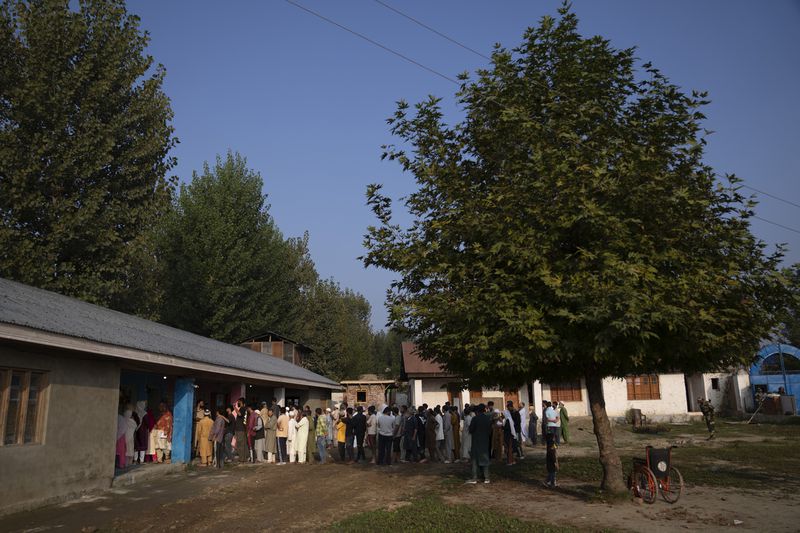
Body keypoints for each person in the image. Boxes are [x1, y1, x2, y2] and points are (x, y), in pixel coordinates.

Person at [466, 403, 492, 484]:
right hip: (485, 441)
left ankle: (474, 478)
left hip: (476, 441)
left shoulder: (475, 419)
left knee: (474, 460)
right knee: (485, 458)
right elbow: (490, 431)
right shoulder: (487, 419)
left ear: (477, 411)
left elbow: (470, 430)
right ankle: (486, 478)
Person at [503, 401, 517, 466]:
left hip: (508, 435)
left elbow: (506, 428)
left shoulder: (508, 420)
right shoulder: (509, 419)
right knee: (510, 449)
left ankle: (509, 461)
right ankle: (513, 460)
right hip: (511, 435)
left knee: (509, 449)